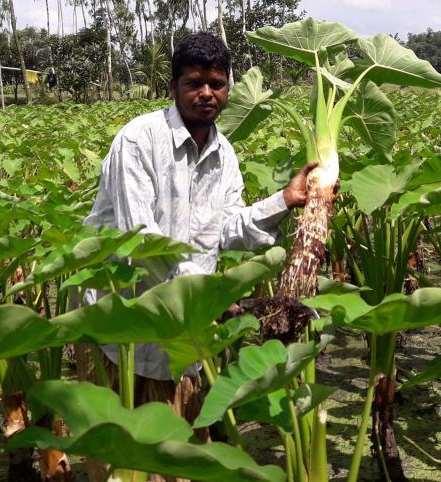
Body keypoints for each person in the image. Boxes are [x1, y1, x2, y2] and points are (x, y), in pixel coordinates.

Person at [75, 32, 317, 482]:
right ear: (173, 88)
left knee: (177, 454)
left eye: (217, 83)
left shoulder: (224, 154)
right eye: (194, 83)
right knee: (124, 458)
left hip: (181, 328)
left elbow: (226, 230)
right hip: (123, 321)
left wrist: (285, 200)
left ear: (226, 88)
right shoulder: (139, 141)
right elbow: (141, 240)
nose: (207, 93)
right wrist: (206, 298)